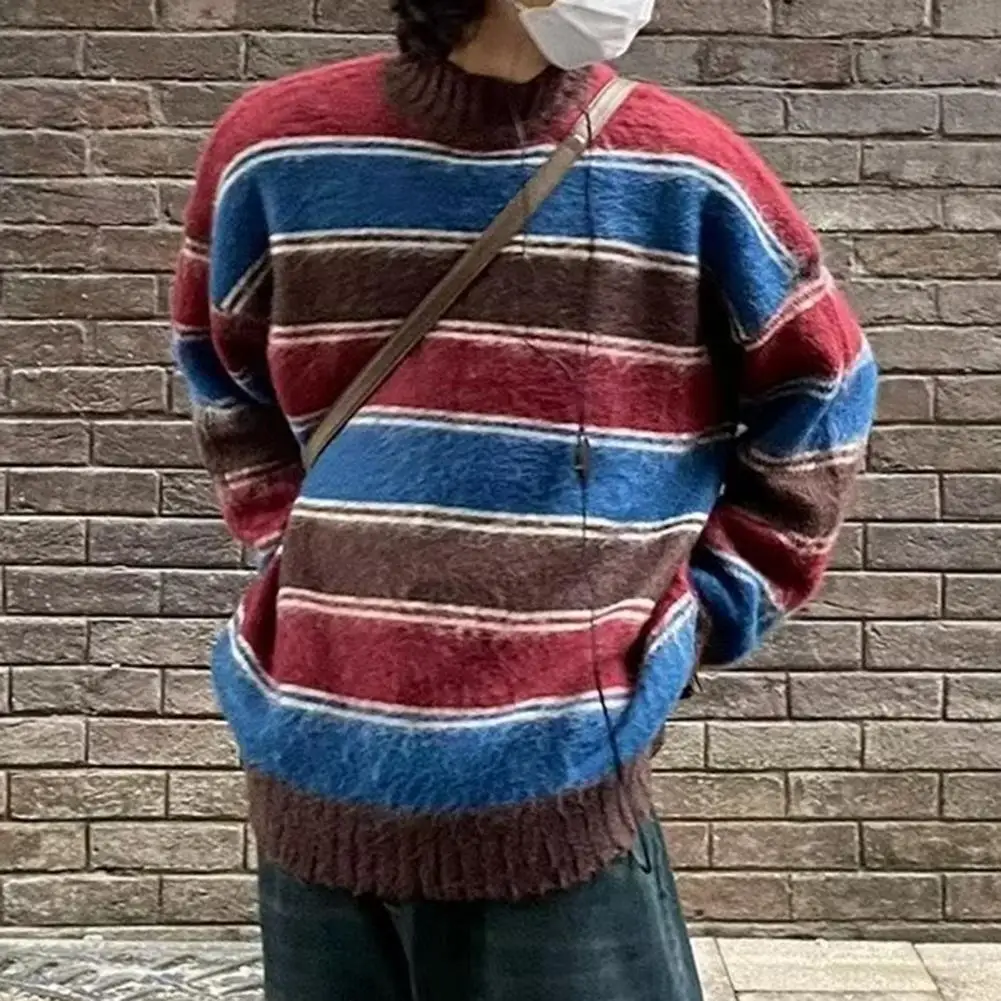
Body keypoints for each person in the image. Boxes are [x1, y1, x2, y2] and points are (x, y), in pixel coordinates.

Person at [172, 0, 878, 997]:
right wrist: (310, 559)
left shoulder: (684, 168)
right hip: (314, 751)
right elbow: (219, 374)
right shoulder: (273, 150)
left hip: (559, 778)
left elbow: (824, 389)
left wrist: (707, 609)